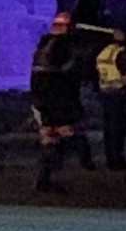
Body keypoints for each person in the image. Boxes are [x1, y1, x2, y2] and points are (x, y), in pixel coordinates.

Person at [29, 11, 94, 192]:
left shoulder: (44, 45)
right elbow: (67, 74)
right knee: (65, 133)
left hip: (42, 98)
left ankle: (46, 176)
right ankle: (82, 162)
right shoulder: (63, 47)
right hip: (57, 99)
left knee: (52, 137)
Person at [93, 26, 126, 170]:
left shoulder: (105, 51)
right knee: (119, 128)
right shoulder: (122, 53)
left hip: (105, 93)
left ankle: (111, 159)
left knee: (109, 128)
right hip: (120, 94)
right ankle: (118, 160)